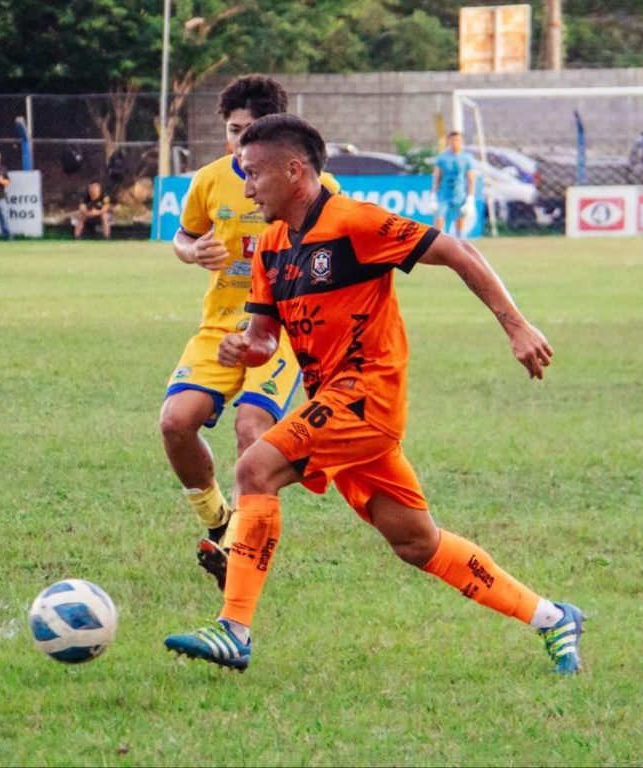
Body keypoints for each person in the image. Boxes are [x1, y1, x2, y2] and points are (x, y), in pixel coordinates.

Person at [164, 114, 585, 676]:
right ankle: (554, 618)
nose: (246, 188)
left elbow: (458, 251)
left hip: (366, 399)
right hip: (335, 407)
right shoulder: (267, 248)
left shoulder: (355, 223)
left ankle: (233, 629)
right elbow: (266, 339)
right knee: (417, 543)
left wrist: (516, 326)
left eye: (255, 175)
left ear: (295, 171)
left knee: (254, 469)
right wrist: (245, 348)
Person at [161, 75, 340, 592]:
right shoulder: (211, 179)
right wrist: (193, 252)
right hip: (219, 325)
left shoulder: (316, 188)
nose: (236, 144)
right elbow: (183, 236)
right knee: (176, 423)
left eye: (245, 131)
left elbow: (336, 250)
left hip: (283, 329)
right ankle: (219, 518)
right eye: (230, 130)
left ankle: (240, 545)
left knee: (251, 428)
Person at [432, 130, 477, 236]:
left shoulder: (467, 158)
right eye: (453, 140)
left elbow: (471, 179)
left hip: (459, 195)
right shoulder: (442, 158)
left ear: (461, 141)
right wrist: (433, 194)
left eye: (458, 140)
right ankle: (440, 245)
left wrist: (470, 197)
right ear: (449, 141)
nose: (455, 142)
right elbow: (437, 177)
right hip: (443, 194)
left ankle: (460, 243)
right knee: (439, 220)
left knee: (460, 222)